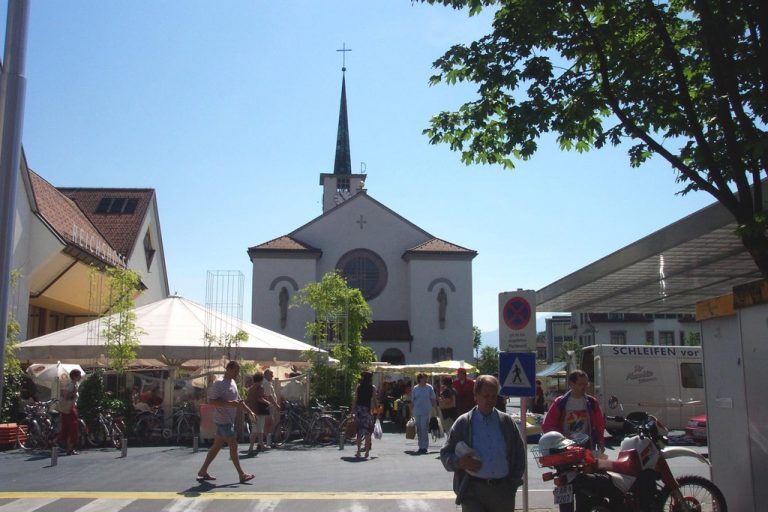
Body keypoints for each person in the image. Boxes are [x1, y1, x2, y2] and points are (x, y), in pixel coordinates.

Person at [440, 375, 525, 511]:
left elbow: (520, 454)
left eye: (493, 396)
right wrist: (459, 462)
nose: (490, 400)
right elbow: (445, 454)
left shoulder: (506, 422)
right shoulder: (463, 423)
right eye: (486, 396)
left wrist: (512, 485)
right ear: (476, 396)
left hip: (503, 491)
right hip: (472, 492)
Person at [196, 360, 255, 483]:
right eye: (236, 371)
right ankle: (242, 474)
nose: (237, 373)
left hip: (228, 419)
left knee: (216, 447)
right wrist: (230, 404)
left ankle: (203, 471)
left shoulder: (232, 382)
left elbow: (239, 401)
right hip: (223, 420)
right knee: (233, 446)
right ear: (228, 369)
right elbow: (212, 401)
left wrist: (250, 411)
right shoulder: (219, 383)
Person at [542, 369, 605, 451]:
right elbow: (548, 425)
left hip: (586, 447)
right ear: (571, 384)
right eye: (581, 384)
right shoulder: (560, 402)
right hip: (564, 447)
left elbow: (599, 425)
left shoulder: (592, 402)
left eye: (586, 384)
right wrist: (559, 438)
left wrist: (601, 441)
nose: (584, 387)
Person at [351, 371, 377, 458]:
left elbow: (355, 399)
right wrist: (376, 410)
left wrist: (352, 411)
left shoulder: (359, 387)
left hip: (359, 410)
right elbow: (374, 400)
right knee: (367, 432)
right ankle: (367, 452)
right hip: (367, 411)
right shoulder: (372, 388)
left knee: (359, 432)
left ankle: (358, 451)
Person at [246, 371, 272, 455]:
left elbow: (248, 400)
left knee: (257, 429)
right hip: (259, 411)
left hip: (251, 411)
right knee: (258, 430)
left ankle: (259, 446)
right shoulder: (260, 388)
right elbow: (260, 398)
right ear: (261, 380)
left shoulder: (250, 389)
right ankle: (254, 447)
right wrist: (268, 403)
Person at [57, 369, 82, 455]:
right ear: (75, 376)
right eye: (79, 375)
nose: (80, 377)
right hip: (69, 408)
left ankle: (68, 447)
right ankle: (68, 446)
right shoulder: (71, 385)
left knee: (68, 428)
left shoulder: (74, 384)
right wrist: (74, 393)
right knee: (73, 428)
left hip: (70, 408)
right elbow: (66, 396)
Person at [411, 372, 436, 454]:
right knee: (419, 429)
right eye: (424, 378)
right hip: (417, 410)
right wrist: (411, 412)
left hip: (426, 411)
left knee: (424, 428)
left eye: (426, 378)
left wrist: (435, 409)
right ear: (420, 379)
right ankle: (420, 446)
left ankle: (424, 447)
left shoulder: (429, 388)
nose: (425, 379)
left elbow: (433, 399)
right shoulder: (415, 388)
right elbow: (412, 401)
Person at [262, 368, 281, 446]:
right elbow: (269, 396)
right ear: (266, 374)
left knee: (268, 423)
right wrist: (276, 405)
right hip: (267, 406)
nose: (272, 376)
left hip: (268, 406)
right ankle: (267, 442)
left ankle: (266, 441)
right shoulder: (266, 383)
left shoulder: (267, 382)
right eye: (271, 374)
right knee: (268, 423)